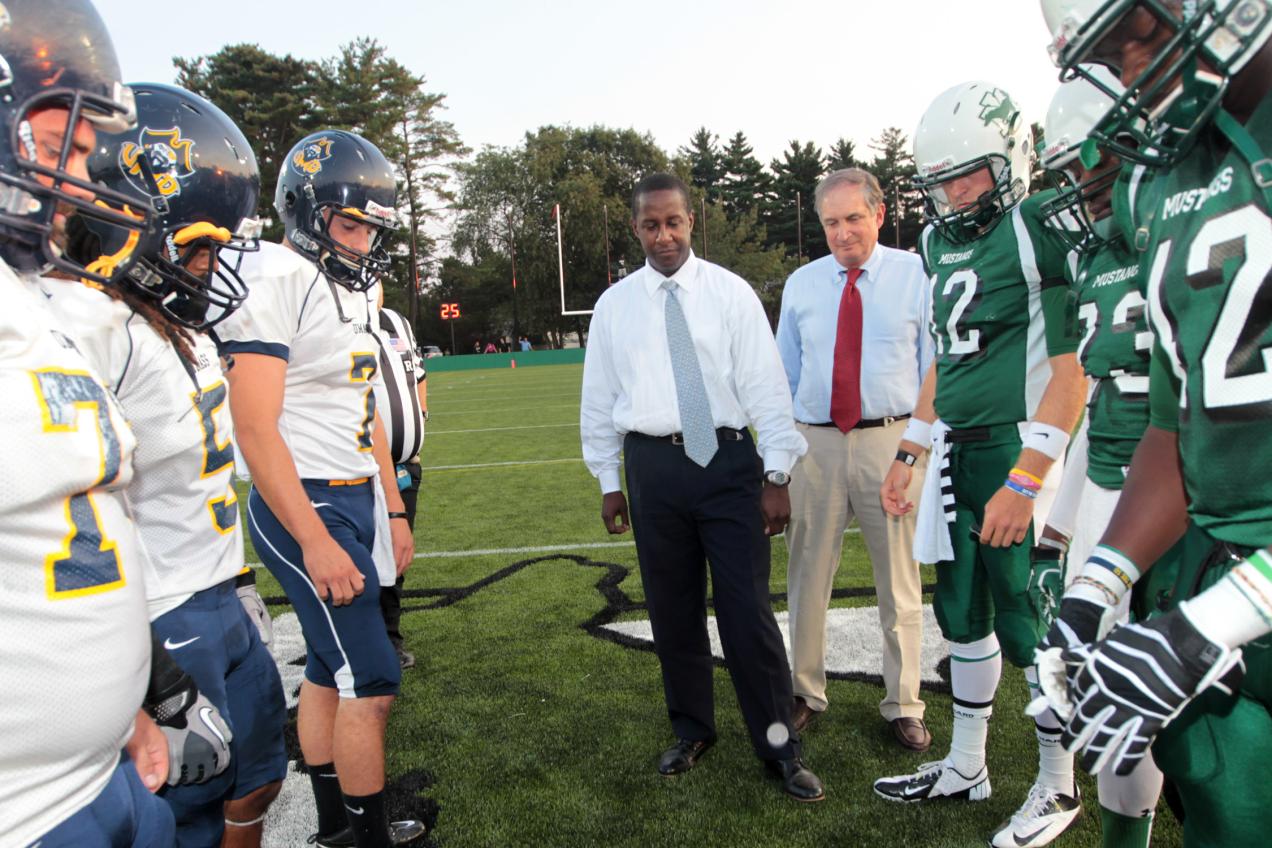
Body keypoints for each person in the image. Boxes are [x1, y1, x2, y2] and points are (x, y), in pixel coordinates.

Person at [1033, 3, 1272, 846]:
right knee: (1227, 811)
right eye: (1108, 54)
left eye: (1138, 30)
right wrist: (1096, 586)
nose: (1131, 71)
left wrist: (1216, 621)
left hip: (1239, 595)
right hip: (1216, 570)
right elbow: (1173, 426)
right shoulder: (1157, 182)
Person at [41, 82, 289, 848]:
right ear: (129, 222)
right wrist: (142, 666)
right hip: (159, 608)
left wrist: (237, 579)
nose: (211, 268)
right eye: (197, 246)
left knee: (257, 776)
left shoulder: (168, 324)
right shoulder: (83, 322)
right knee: (180, 813)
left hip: (215, 589)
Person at [871, 81, 1087, 848]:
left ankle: (1059, 783)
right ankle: (968, 765)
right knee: (962, 613)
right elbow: (946, 359)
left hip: (1019, 445)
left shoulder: (1037, 225)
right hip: (957, 449)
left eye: (969, 175)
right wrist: (911, 450)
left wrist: (1028, 480)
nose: (956, 194)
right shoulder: (936, 243)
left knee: (1032, 621)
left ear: (1012, 159)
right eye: (943, 181)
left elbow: (1072, 371)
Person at [580, 172, 823, 802]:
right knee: (672, 609)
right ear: (636, 228)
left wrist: (776, 474)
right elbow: (599, 397)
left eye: (673, 222)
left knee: (748, 613)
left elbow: (766, 387)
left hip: (727, 464)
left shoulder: (730, 292)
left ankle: (779, 745)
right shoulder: (615, 305)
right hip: (652, 468)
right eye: (650, 224)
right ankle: (692, 730)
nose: (663, 235)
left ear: (691, 221)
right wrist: (609, 481)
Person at [217, 129, 425, 848]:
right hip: (301, 499)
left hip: (355, 492)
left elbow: (365, 409)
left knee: (327, 669)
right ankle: (368, 840)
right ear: (307, 213)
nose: (363, 243)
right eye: (350, 225)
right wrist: (314, 539)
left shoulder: (353, 291)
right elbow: (254, 427)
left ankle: (337, 825)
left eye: (371, 229)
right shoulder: (273, 276)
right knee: (372, 679)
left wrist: (391, 507)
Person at [0, 2, 175, 845]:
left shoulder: (30, 302)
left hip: (99, 773)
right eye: (60, 147)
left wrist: (121, 707)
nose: (78, 183)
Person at [1030, 67, 1176, 848]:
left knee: (1213, 724)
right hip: (1112, 495)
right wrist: (1057, 530)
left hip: (1196, 499)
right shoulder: (1089, 262)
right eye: (1072, 172)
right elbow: (1105, 398)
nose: (1081, 189)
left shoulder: (1180, 234)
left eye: (1097, 166)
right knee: (1115, 699)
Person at [775, 167, 933, 750]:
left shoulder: (917, 276)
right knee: (806, 576)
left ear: (880, 214)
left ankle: (904, 701)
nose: (842, 233)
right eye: (831, 222)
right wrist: (782, 455)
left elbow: (933, 371)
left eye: (853, 218)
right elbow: (784, 375)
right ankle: (804, 690)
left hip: (890, 443)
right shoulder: (803, 284)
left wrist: (913, 452)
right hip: (814, 444)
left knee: (899, 579)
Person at [371, 283, 429, 670]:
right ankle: (361, 639)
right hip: (360, 469)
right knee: (360, 558)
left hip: (404, 466)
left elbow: (419, 374)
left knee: (395, 558)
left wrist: (421, 417)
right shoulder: (335, 320)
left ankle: (389, 636)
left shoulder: (396, 322)